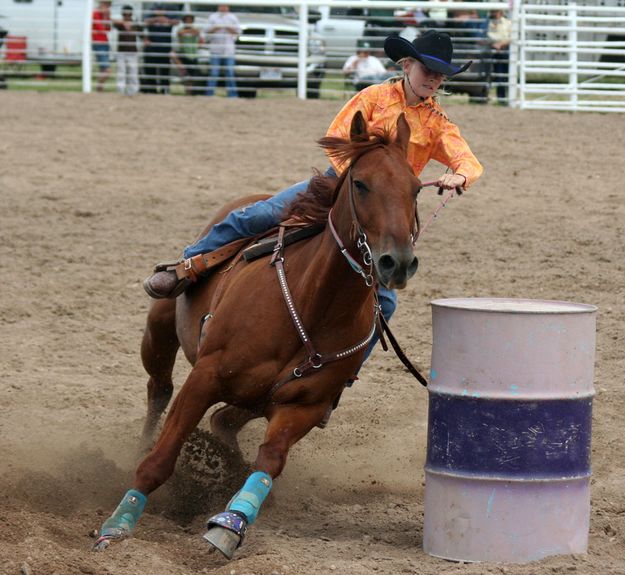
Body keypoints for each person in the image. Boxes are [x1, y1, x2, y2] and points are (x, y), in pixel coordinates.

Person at [144, 30, 483, 371]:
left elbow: (469, 161)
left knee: (386, 302)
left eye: (441, 75)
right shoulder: (374, 97)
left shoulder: (438, 123)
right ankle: (187, 266)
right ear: (407, 65)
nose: (434, 79)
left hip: (382, 209)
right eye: (429, 70)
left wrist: (460, 175)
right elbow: (337, 137)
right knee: (260, 214)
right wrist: (357, 182)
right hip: (338, 186)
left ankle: (338, 379)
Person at [204, 4, 241, 97]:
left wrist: (228, 27)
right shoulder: (212, 17)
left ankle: (232, 94)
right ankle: (209, 94)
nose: (223, 8)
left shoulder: (233, 17)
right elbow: (206, 30)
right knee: (214, 72)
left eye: (225, 6)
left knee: (229, 72)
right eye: (221, 6)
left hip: (229, 49)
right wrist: (217, 27)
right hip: (215, 48)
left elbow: (239, 31)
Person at [142, 4, 179, 95]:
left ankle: (165, 90)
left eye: (161, 9)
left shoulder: (169, 17)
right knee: (150, 70)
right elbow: (144, 22)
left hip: (164, 48)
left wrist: (167, 20)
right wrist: (156, 19)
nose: (159, 11)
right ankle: (152, 90)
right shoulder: (150, 16)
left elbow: (177, 21)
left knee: (164, 70)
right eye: (157, 9)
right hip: (151, 48)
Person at [112, 5, 143, 96]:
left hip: (133, 51)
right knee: (121, 71)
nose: (127, 16)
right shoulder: (120, 24)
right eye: (125, 14)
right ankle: (120, 90)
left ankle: (133, 90)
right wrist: (124, 23)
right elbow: (112, 22)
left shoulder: (135, 24)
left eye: (129, 14)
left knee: (133, 71)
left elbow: (141, 34)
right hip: (121, 51)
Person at [172, 13, 204, 95]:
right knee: (172, 54)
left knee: (191, 78)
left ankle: (189, 93)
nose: (188, 21)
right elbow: (180, 33)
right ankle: (182, 68)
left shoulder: (195, 29)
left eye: (190, 20)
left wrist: (189, 32)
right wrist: (190, 31)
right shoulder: (181, 29)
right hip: (183, 54)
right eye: (187, 20)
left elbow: (197, 33)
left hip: (192, 55)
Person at [487, 9, 512, 103]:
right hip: (494, 52)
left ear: (501, 13)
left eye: (495, 12)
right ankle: (500, 98)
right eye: (493, 12)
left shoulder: (508, 23)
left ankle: (504, 97)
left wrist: (501, 43)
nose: (493, 14)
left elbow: (510, 37)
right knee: (497, 75)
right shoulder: (490, 23)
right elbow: (488, 36)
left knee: (504, 76)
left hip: (505, 51)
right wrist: (498, 42)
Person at [92, 0, 112, 92]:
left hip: (105, 43)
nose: (108, 7)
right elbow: (101, 28)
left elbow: (108, 29)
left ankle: (100, 90)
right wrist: (105, 16)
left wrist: (106, 16)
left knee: (102, 69)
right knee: (107, 70)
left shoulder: (105, 15)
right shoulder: (95, 13)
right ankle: (98, 87)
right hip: (98, 43)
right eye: (107, 4)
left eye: (109, 5)